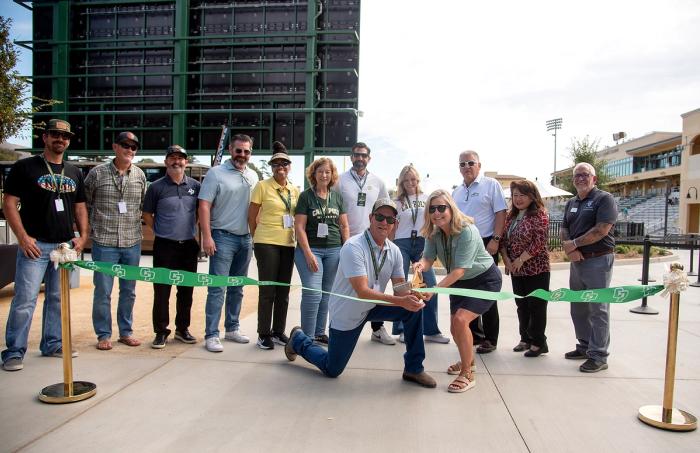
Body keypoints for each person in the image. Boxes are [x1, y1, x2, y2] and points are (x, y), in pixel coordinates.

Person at [284, 199, 436, 389]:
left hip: (372, 306)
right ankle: (299, 340)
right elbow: (362, 292)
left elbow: (399, 289)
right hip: (348, 311)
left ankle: (414, 369)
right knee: (332, 369)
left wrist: (414, 295)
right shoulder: (353, 246)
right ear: (371, 218)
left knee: (414, 309)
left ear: (395, 224)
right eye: (380, 217)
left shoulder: (395, 251)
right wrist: (401, 300)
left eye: (390, 219)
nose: (384, 222)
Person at [1, 120, 89, 371]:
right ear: (45, 138)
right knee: (25, 300)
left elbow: (80, 207)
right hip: (35, 246)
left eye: (64, 136)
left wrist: (82, 237)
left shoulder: (74, 172)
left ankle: (52, 344)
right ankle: (13, 352)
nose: (60, 139)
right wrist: (23, 237)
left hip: (63, 247)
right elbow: (9, 203)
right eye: (55, 135)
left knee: (57, 299)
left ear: (69, 141)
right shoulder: (25, 166)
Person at [414, 190, 502, 393]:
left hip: (484, 280)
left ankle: (468, 373)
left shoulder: (467, 231)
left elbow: (459, 270)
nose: (437, 213)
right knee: (455, 328)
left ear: (451, 208)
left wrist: (434, 290)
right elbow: (428, 259)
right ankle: (467, 361)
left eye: (441, 207)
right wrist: (420, 265)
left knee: (461, 321)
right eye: (432, 208)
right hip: (461, 282)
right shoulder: (434, 232)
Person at [85, 131, 146, 350]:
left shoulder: (140, 175)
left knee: (128, 291)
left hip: (132, 242)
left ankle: (126, 332)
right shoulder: (97, 174)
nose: (129, 150)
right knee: (103, 291)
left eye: (133, 146)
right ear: (115, 147)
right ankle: (103, 334)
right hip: (104, 242)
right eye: (125, 145)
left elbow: (141, 205)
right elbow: (86, 203)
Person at [199, 133, 258, 353]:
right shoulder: (215, 174)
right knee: (217, 289)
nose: (242, 155)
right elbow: (204, 206)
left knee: (237, 287)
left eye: (246, 151)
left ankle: (232, 328)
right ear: (231, 150)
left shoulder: (253, 176)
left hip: (246, 239)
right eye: (238, 150)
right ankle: (211, 334)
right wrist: (207, 236)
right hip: (222, 237)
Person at [561, 163, 617, 373]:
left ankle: (599, 355)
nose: (581, 178)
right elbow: (565, 228)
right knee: (578, 306)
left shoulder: (604, 199)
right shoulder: (572, 202)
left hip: (598, 260)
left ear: (594, 179)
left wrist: (575, 244)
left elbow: (602, 230)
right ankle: (584, 345)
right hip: (577, 261)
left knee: (598, 309)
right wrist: (571, 250)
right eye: (577, 175)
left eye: (585, 175)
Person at [142, 145, 201, 349]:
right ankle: (160, 331)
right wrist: (160, 230)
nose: (177, 161)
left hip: (188, 246)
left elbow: (201, 212)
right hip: (164, 246)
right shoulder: (156, 187)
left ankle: (182, 329)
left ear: (186, 162)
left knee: (186, 290)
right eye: (172, 158)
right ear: (166, 161)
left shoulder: (195, 186)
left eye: (181, 158)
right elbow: (147, 214)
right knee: (162, 291)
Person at [336, 142, 393, 345]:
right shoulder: (340, 180)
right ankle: (338, 325)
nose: (360, 158)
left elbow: (386, 210)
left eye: (364, 155)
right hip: (347, 242)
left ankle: (377, 329)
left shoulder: (377, 182)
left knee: (376, 285)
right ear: (351, 157)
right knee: (346, 287)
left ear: (369, 158)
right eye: (356, 155)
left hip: (372, 240)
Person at [452, 150, 506, 354]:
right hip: (464, 245)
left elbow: (501, 213)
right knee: (466, 289)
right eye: (462, 164)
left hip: (486, 243)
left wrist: (496, 239)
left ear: (479, 165)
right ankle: (474, 334)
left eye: (470, 163)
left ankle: (491, 338)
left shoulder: (491, 185)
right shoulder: (456, 191)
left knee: (486, 291)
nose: (466, 167)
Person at [248, 142, 300, 350]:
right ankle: (263, 333)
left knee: (283, 291)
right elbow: (251, 217)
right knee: (268, 290)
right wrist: (256, 238)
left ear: (289, 166)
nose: (280, 166)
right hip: (266, 242)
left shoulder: (294, 190)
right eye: (276, 163)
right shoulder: (262, 186)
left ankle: (278, 331)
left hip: (288, 243)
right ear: (271, 166)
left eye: (284, 163)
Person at [390, 165, 449, 344]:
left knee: (429, 285)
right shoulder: (397, 201)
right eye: (406, 180)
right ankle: (402, 329)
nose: (410, 183)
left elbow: (435, 219)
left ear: (418, 180)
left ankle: (431, 330)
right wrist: (390, 245)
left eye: (413, 179)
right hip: (402, 242)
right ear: (401, 182)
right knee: (401, 286)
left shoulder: (426, 198)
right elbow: (393, 226)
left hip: (423, 242)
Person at [294, 157, 349, 344]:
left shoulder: (337, 197)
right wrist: (308, 253)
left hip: (334, 250)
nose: (324, 175)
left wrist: (346, 249)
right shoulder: (306, 196)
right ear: (314, 174)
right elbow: (299, 227)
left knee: (326, 294)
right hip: (311, 250)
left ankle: (319, 332)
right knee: (313, 293)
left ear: (332, 175)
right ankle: (306, 337)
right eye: (320, 171)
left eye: (327, 172)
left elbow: (344, 226)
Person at [500, 180, 550, 357]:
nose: (518, 199)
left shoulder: (540, 215)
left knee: (536, 306)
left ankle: (539, 342)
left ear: (532, 196)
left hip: (536, 269)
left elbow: (539, 242)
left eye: (522, 195)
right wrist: (506, 260)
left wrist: (520, 260)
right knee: (521, 305)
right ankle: (525, 338)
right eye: (515, 195)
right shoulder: (510, 216)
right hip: (516, 269)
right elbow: (503, 241)